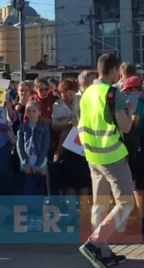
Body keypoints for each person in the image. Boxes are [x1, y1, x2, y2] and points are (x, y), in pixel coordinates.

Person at [78, 53, 134, 267]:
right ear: (114, 70)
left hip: (92, 155)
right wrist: (130, 109)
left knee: (100, 203)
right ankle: (95, 242)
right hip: (112, 154)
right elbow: (126, 127)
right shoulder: (113, 93)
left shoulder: (87, 92)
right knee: (125, 203)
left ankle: (102, 252)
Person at [52, 79, 90, 225]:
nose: (67, 98)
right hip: (67, 146)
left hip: (83, 146)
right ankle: (72, 214)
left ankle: (85, 213)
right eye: (64, 95)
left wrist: (79, 119)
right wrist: (69, 120)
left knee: (84, 180)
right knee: (69, 182)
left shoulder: (81, 100)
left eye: (70, 95)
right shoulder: (58, 104)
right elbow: (54, 124)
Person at [122, 76, 144, 235]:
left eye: (128, 90)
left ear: (134, 90)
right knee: (138, 186)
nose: (127, 94)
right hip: (141, 149)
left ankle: (141, 219)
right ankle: (143, 219)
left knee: (136, 187)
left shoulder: (137, 106)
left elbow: (132, 124)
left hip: (134, 150)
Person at [16, 100, 50, 231]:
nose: (31, 114)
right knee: (28, 191)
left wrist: (38, 164)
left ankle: (39, 218)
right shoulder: (22, 127)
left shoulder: (44, 126)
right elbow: (19, 146)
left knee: (40, 190)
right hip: (27, 163)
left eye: (34, 111)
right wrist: (25, 162)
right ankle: (30, 218)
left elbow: (45, 145)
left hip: (40, 163)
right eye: (28, 111)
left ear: (39, 112)